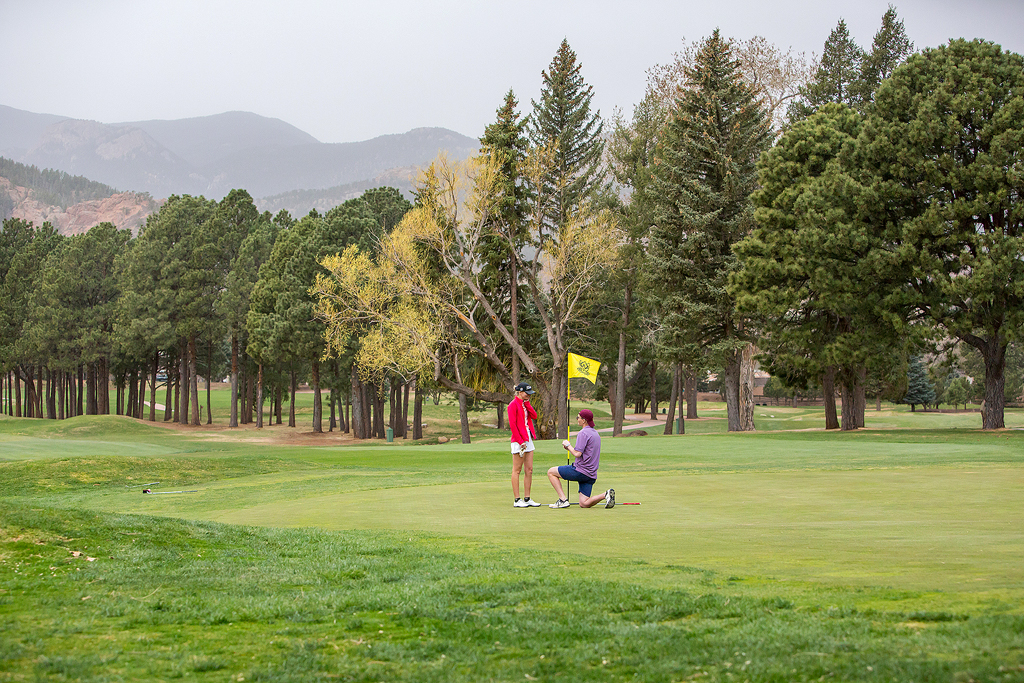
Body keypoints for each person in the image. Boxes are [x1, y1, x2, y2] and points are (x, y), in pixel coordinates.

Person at [548, 408, 614, 509]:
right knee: (584, 503)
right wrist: (570, 449)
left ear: (584, 420)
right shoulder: (595, 433)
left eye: (578, 417)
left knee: (551, 472)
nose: (577, 419)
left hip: (580, 471)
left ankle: (562, 500)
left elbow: (577, 454)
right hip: (591, 475)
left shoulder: (583, 433)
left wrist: (568, 445)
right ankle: (606, 494)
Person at [508, 381, 541, 507]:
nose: (529, 396)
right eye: (526, 394)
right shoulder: (513, 405)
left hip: (528, 437)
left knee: (529, 469)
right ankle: (517, 500)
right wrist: (520, 441)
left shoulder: (524, 404)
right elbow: (513, 425)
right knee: (517, 470)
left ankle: (527, 498)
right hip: (518, 440)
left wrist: (527, 403)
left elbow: (534, 415)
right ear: (520, 392)